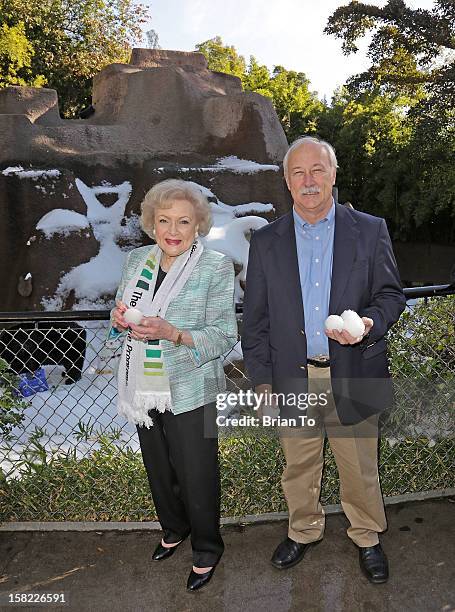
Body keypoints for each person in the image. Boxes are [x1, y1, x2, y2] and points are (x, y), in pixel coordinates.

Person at [242, 136, 406, 584]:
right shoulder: (266, 240)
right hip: (292, 374)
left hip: (354, 371)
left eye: (318, 170)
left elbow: (391, 296)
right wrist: (261, 381)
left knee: (359, 466)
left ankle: (368, 536)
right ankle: (303, 530)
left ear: (334, 174)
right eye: (299, 172)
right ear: (287, 182)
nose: (309, 180)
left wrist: (368, 323)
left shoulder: (370, 230)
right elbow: (254, 319)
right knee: (298, 465)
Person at [109, 179, 237, 591]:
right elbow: (124, 316)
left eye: (184, 221)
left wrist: (174, 333)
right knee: (159, 468)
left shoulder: (215, 267)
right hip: (141, 385)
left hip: (191, 387)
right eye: (164, 220)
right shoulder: (136, 263)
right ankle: (174, 528)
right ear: (151, 223)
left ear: (198, 224)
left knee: (197, 472)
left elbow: (225, 334)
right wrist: (117, 323)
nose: (173, 230)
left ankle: (206, 548)